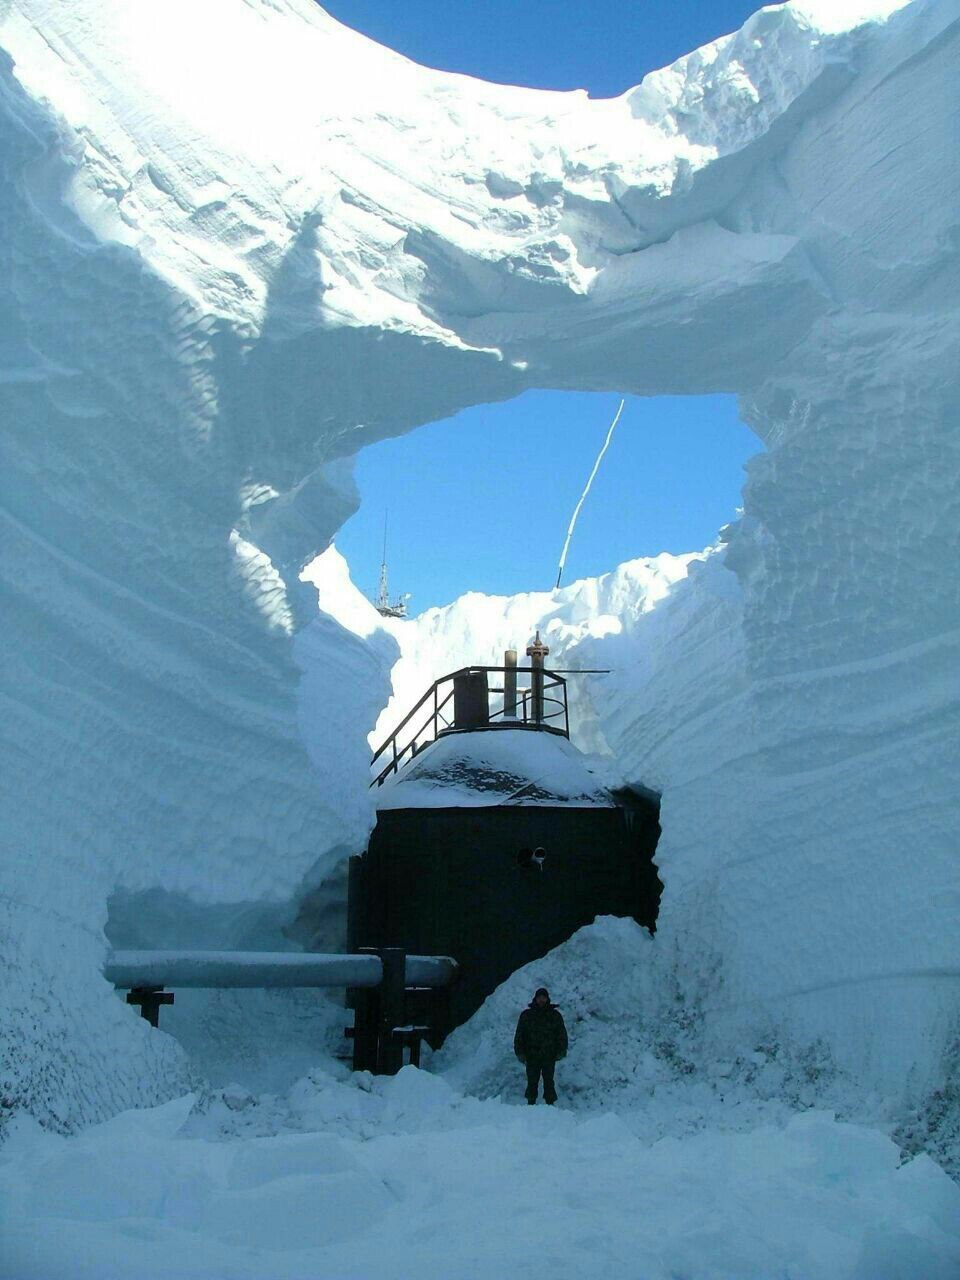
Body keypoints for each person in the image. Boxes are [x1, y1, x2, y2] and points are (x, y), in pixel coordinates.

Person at [513, 987, 568, 1105]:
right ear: (535, 999)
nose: (541, 1000)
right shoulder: (526, 1015)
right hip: (531, 1054)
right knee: (532, 1081)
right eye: (539, 997)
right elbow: (519, 1035)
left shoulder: (555, 1016)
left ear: (547, 999)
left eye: (544, 997)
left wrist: (561, 1051)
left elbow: (562, 1034)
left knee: (549, 1081)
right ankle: (530, 1102)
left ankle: (550, 1103)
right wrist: (520, 1052)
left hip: (549, 1054)